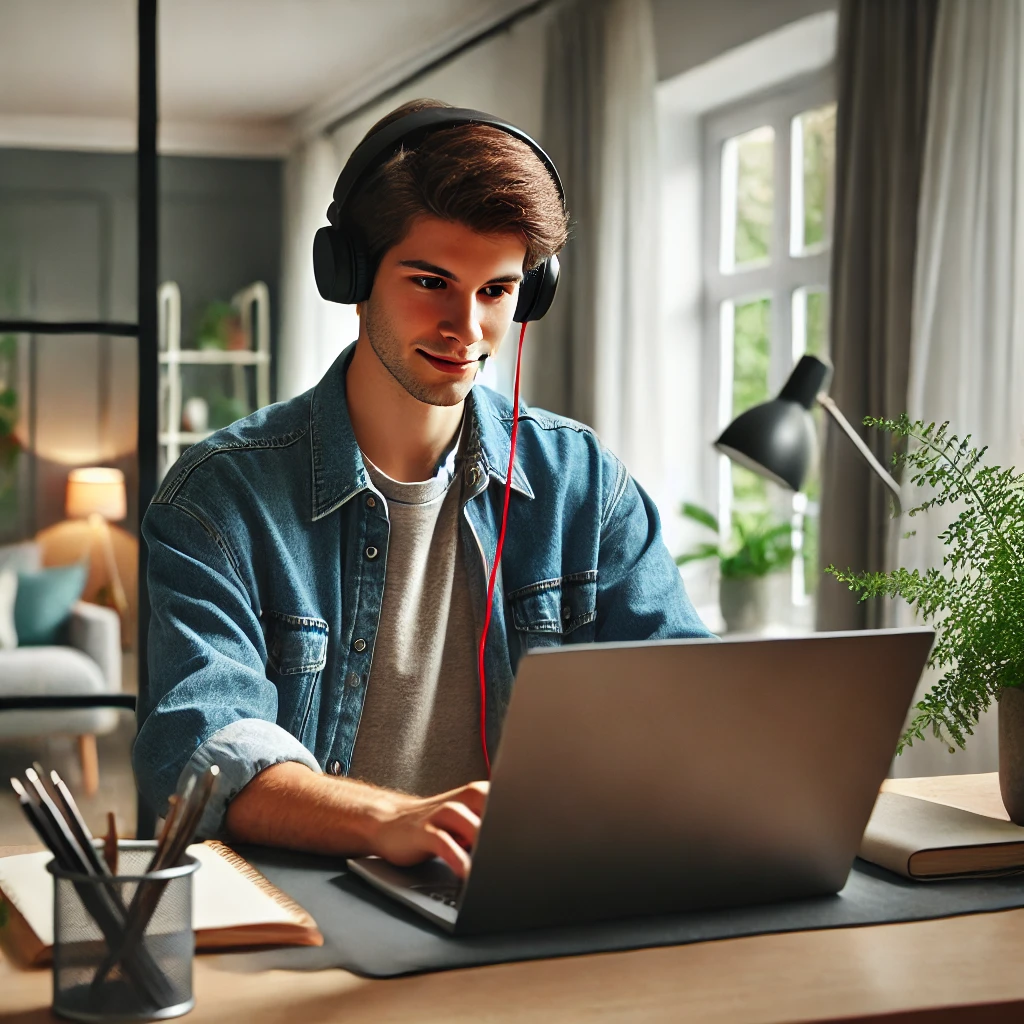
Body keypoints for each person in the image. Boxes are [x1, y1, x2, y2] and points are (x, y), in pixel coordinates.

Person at [134, 98, 712, 879]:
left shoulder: (585, 483)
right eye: (432, 281)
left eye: (497, 291)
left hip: (530, 890)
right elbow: (206, 760)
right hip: (309, 909)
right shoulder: (216, 500)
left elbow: (688, 706)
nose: (466, 328)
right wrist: (397, 820)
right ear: (351, 275)